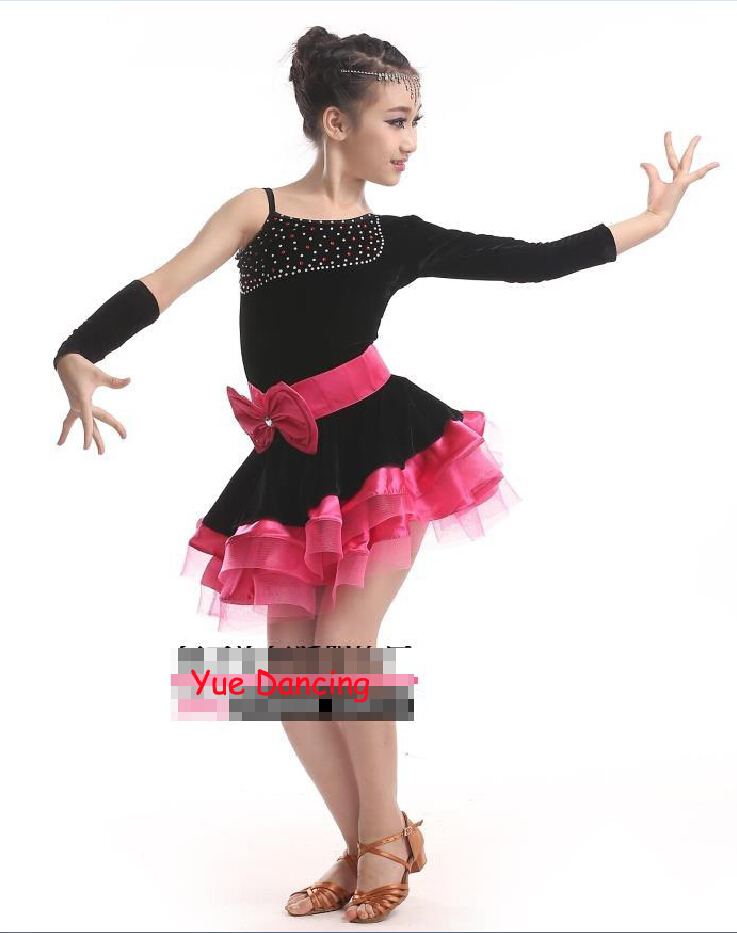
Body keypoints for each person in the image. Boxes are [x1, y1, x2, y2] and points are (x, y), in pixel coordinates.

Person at [53, 25, 718, 925]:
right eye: (396, 120)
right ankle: (374, 838)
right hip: (289, 468)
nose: (411, 140)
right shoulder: (256, 212)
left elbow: (536, 259)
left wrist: (651, 221)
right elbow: (160, 285)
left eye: (416, 121)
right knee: (285, 670)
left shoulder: (396, 237)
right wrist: (77, 351)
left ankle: (376, 847)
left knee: (344, 644)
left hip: (386, 452)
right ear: (337, 122)